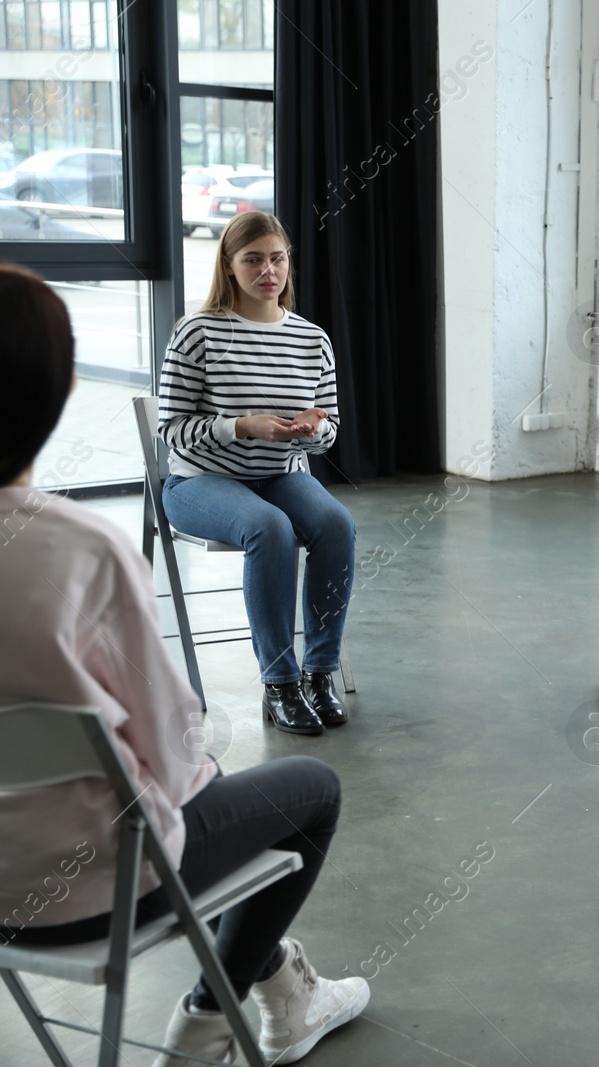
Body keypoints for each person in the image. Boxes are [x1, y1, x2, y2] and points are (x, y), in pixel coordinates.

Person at [0, 265, 367, 1064]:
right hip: (98, 889)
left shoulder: (307, 338)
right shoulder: (78, 549)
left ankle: (279, 982)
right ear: (56, 393)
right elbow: (170, 760)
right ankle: (207, 1020)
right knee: (310, 793)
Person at [158, 210, 354, 735]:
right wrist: (241, 427)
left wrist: (314, 430)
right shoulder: (196, 332)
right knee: (270, 527)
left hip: (279, 475)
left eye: (277, 258)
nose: (268, 270)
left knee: (335, 525)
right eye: (253, 259)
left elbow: (330, 427)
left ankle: (319, 675)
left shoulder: (312, 339)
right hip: (198, 482)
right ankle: (279, 683)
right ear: (228, 264)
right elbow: (171, 429)